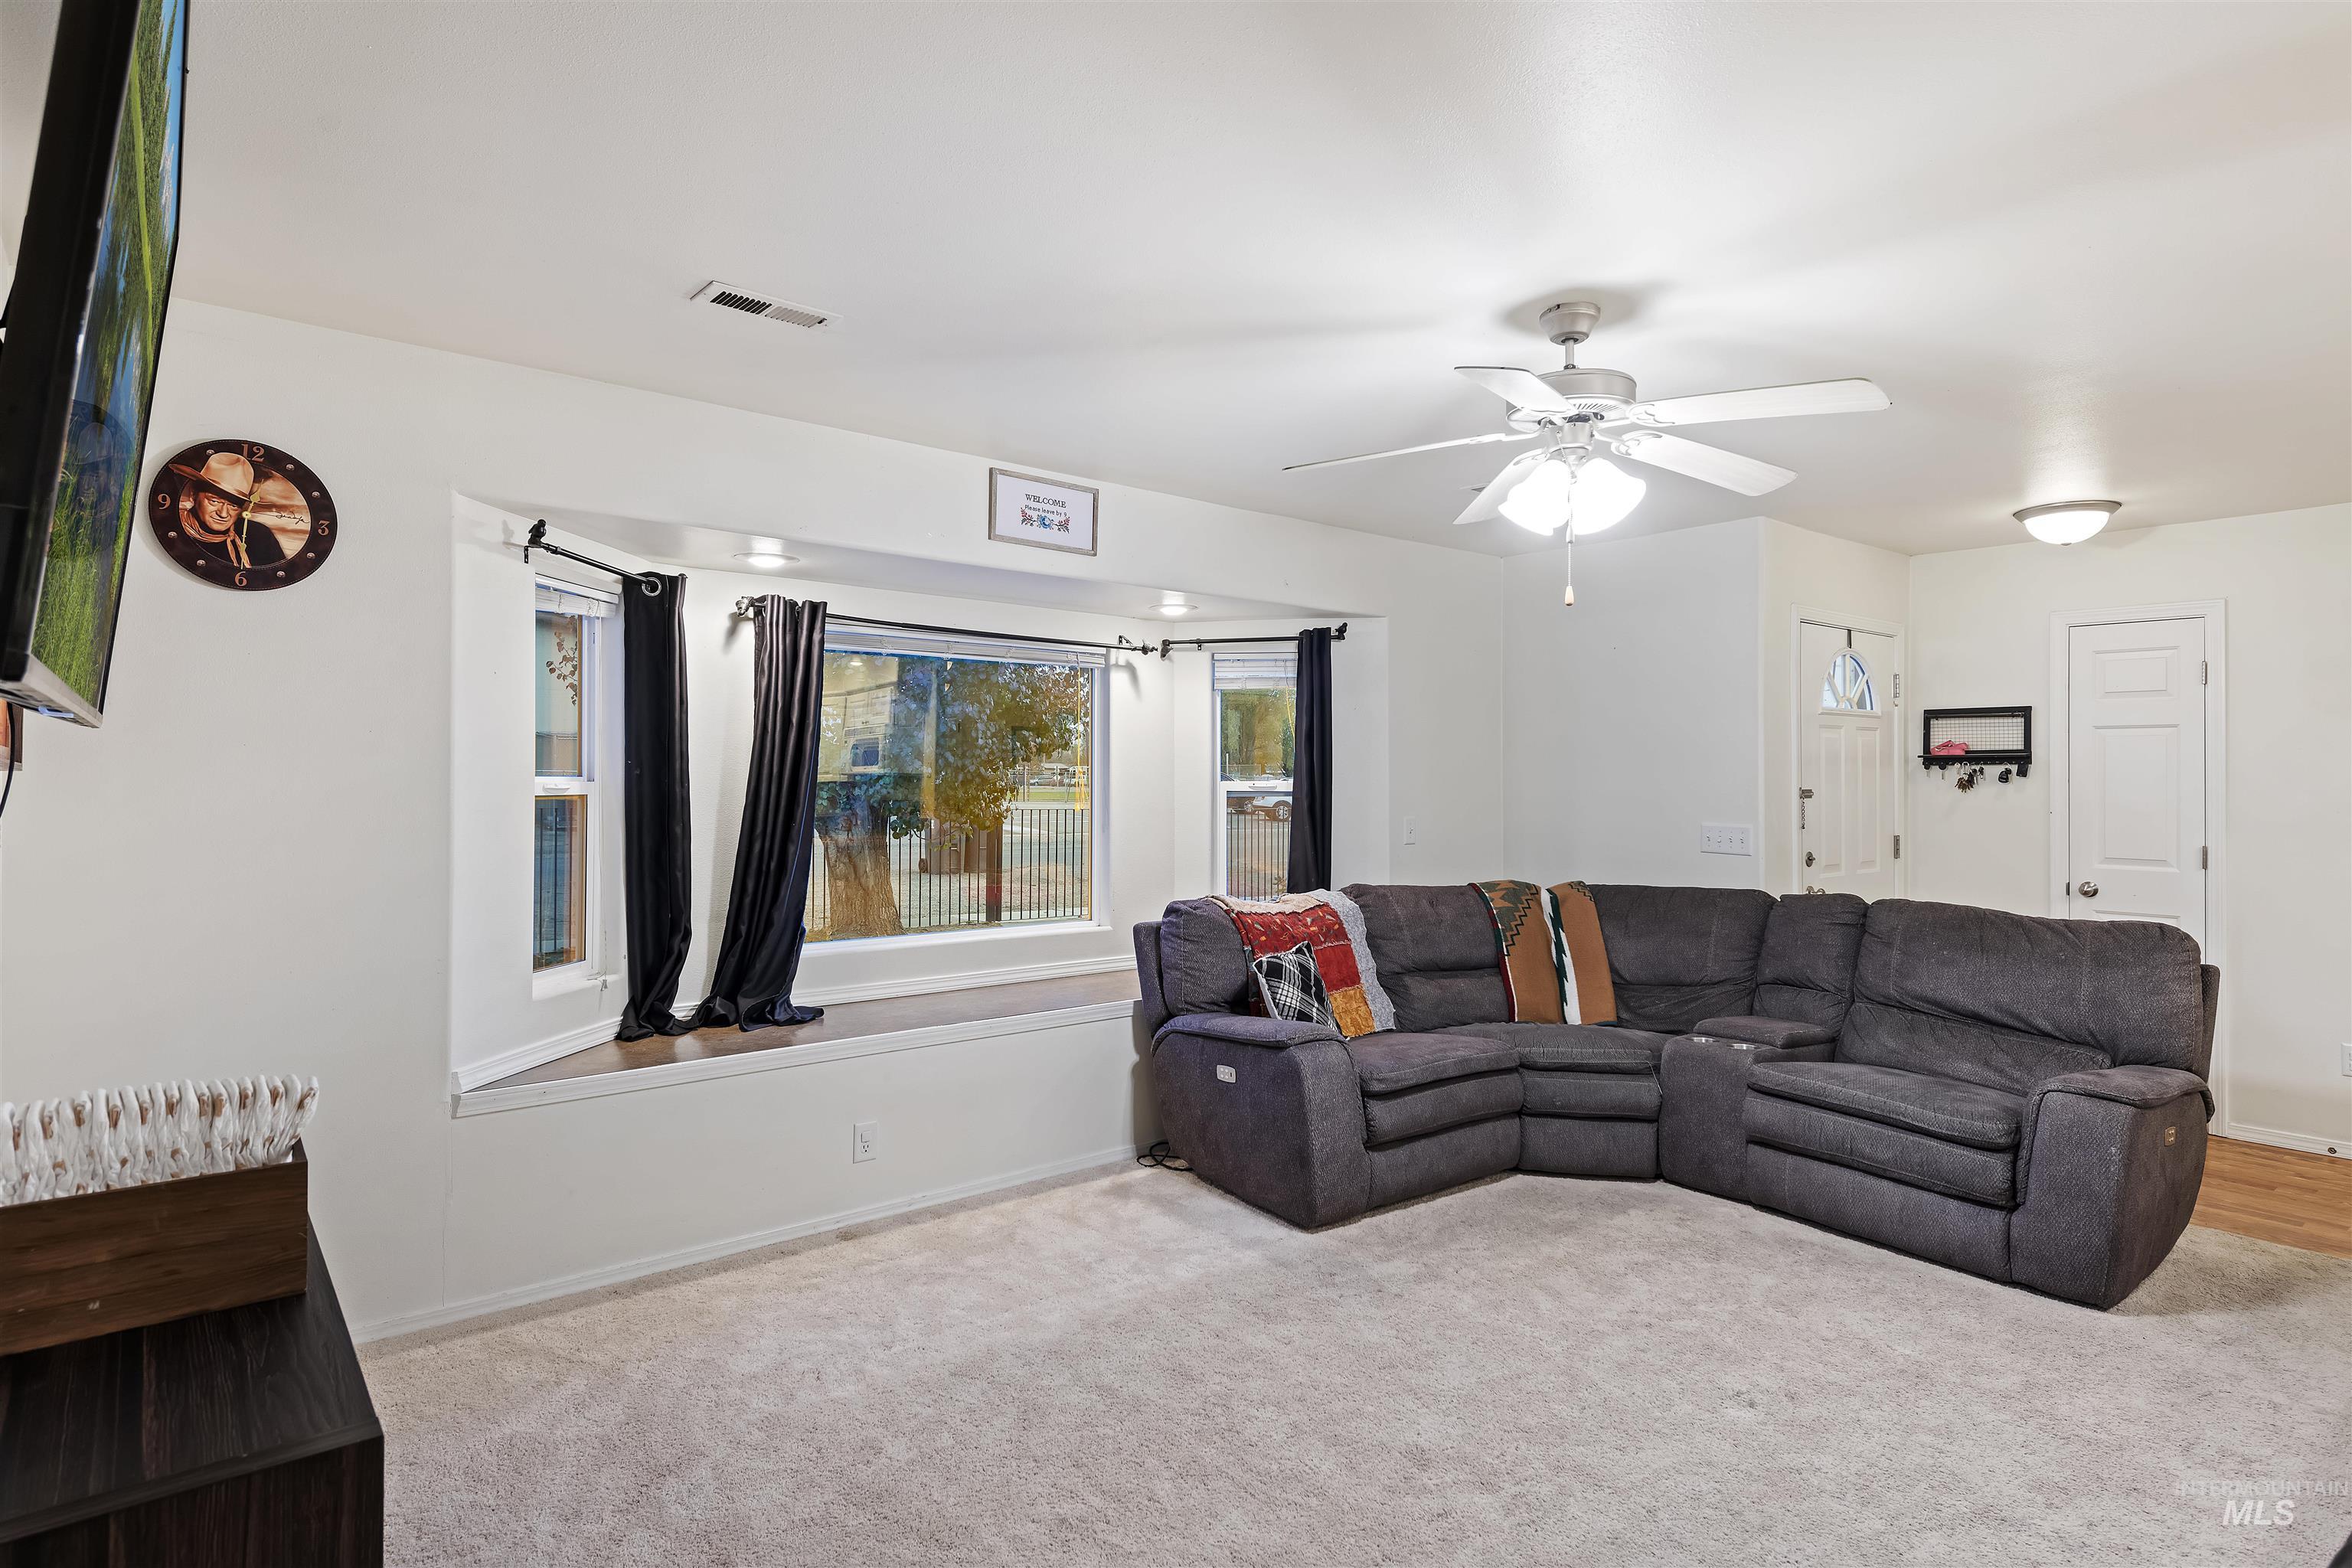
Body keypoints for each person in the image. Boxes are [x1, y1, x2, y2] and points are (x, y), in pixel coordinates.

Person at [166, 451, 289, 570]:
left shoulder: (260, 535)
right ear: (193, 495)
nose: (223, 514)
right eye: (214, 501)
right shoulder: (174, 530)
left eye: (234, 506)